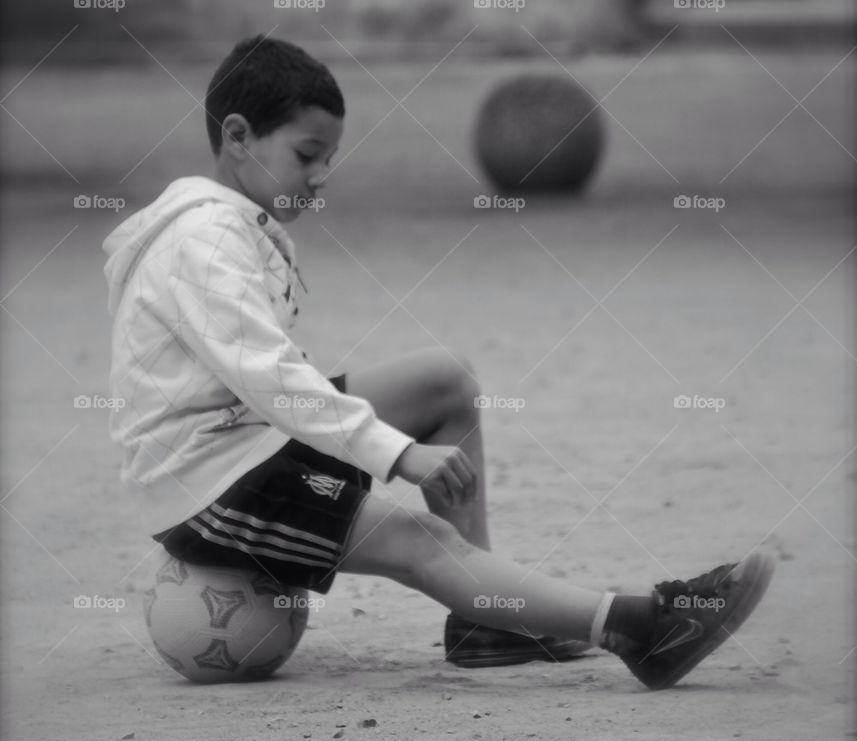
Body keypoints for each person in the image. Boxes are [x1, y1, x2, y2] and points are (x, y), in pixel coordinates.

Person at [103, 35, 774, 690]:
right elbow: (270, 377)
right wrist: (394, 453)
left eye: (329, 157)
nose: (321, 176)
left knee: (442, 381)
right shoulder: (204, 240)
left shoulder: (228, 224)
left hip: (252, 438)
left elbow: (271, 386)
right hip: (209, 484)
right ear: (239, 135)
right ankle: (638, 629)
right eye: (307, 154)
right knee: (419, 541)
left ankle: (484, 621)